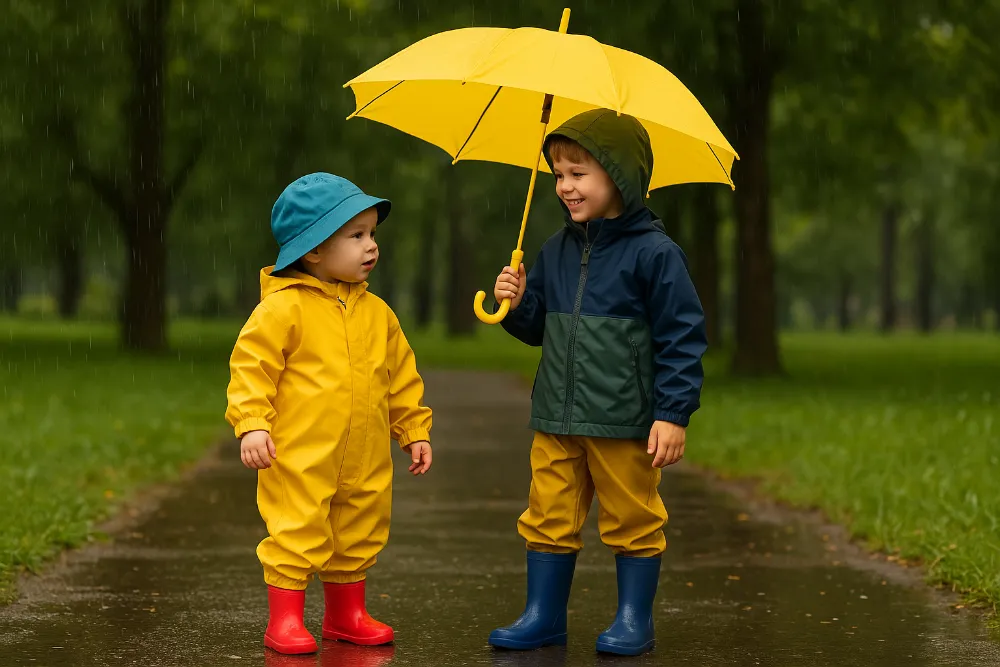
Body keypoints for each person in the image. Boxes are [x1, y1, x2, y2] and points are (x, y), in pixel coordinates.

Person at [488, 110, 707, 656]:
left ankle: (634, 619)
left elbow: (682, 337)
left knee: (633, 517)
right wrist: (515, 303)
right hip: (557, 419)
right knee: (547, 515)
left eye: (578, 173)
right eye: (558, 173)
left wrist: (672, 412)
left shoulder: (656, 256)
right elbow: (538, 328)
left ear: (620, 176)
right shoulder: (556, 249)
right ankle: (543, 616)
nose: (564, 186)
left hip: (623, 419)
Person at [226, 172, 433, 655]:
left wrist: (413, 428)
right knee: (297, 528)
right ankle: (285, 621)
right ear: (314, 250)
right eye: (356, 235)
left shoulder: (378, 313)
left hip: (363, 454)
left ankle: (346, 615)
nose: (371, 246)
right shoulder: (283, 310)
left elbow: (400, 376)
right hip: (300, 454)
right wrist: (252, 423)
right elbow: (251, 369)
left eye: (373, 234)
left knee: (359, 527)